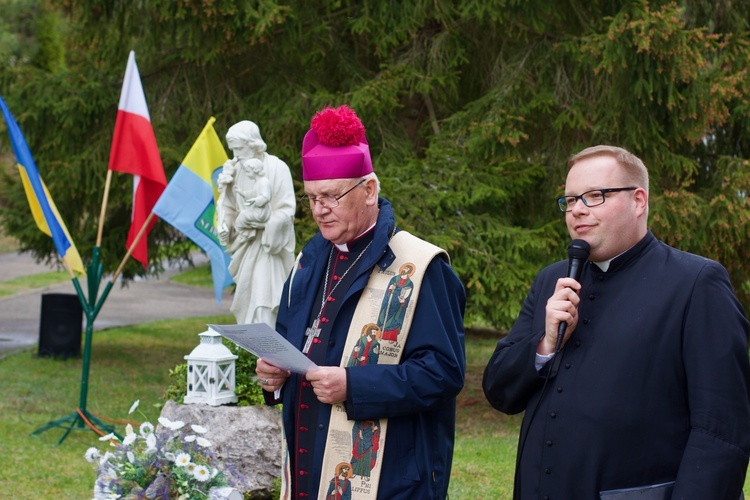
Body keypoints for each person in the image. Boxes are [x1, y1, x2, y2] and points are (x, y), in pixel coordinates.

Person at [482, 145, 750, 499]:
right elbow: (500, 392)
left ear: (638, 201)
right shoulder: (552, 281)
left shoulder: (696, 283)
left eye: (595, 196)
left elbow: (721, 430)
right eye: (570, 199)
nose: (577, 209)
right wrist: (545, 343)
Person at [256, 104, 466, 499]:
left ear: (369, 189)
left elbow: (443, 373)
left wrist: (353, 385)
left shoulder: (420, 266)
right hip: (306, 466)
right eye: (312, 198)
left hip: (389, 475)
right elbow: (290, 341)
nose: (320, 210)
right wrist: (275, 376)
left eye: (332, 196)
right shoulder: (310, 260)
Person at [216, 120, 296, 326]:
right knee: (247, 297)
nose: (235, 155)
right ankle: (252, 351)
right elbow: (230, 208)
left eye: (239, 149)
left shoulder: (277, 168)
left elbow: (286, 211)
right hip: (246, 245)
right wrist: (225, 225)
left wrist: (262, 223)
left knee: (264, 299)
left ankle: (266, 350)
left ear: (253, 144)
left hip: (267, 247)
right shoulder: (235, 171)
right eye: (232, 150)